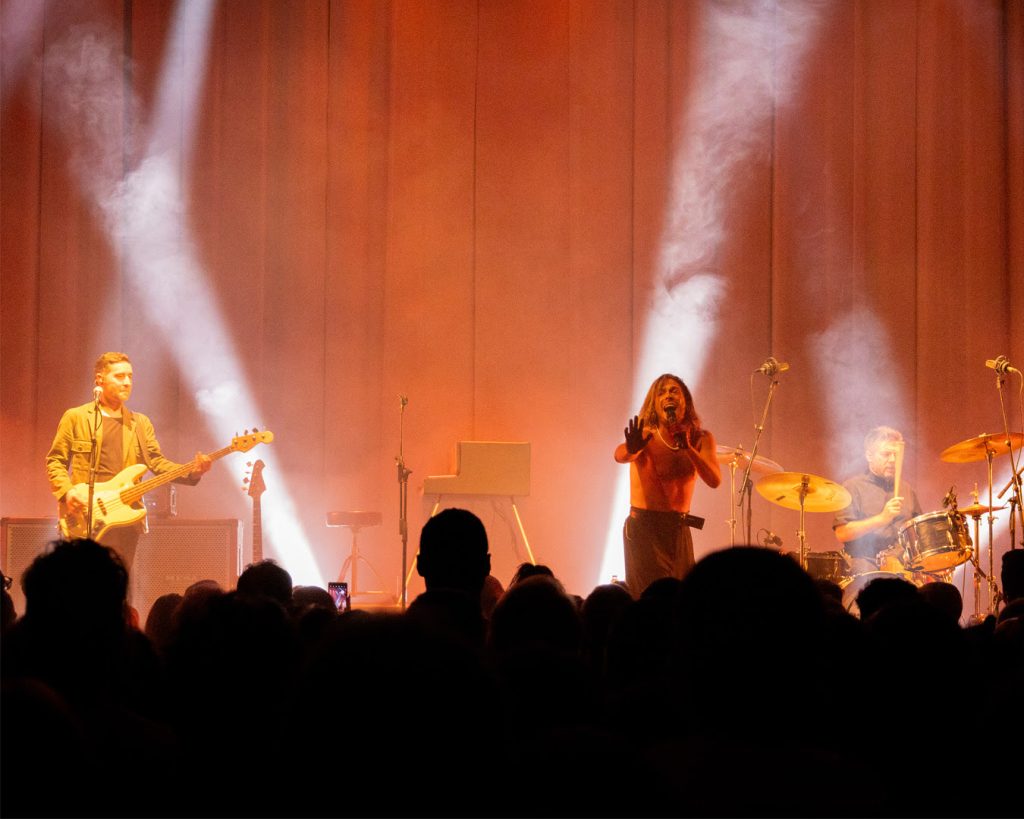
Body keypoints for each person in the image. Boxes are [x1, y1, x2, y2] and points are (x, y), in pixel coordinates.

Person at [45, 352, 212, 578]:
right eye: (119, 376)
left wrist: (192, 471)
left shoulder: (140, 424)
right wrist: (68, 492)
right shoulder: (76, 417)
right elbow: (55, 460)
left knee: (116, 585)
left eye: (130, 377)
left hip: (124, 518)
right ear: (99, 379)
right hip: (85, 515)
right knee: (81, 584)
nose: (126, 382)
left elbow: (157, 462)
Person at [613, 373, 721, 597]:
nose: (668, 395)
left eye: (674, 391)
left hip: (678, 529)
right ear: (654, 404)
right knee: (650, 599)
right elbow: (620, 455)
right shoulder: (646, 436)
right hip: (645, 529)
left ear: (685, 401)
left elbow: (714, 480)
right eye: (661, 392)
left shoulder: (701, 438)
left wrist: (688, 448)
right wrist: (632, 448)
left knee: (681, 598)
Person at [832, 426, 922, 574]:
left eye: (896, 455)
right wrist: (881, 519)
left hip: (903, 566)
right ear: (869, 455)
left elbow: (918, 532)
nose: (892, 460)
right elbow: (842, 533)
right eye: (886, 454)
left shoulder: (907, 490)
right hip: (865, 564)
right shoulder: (852, 487)